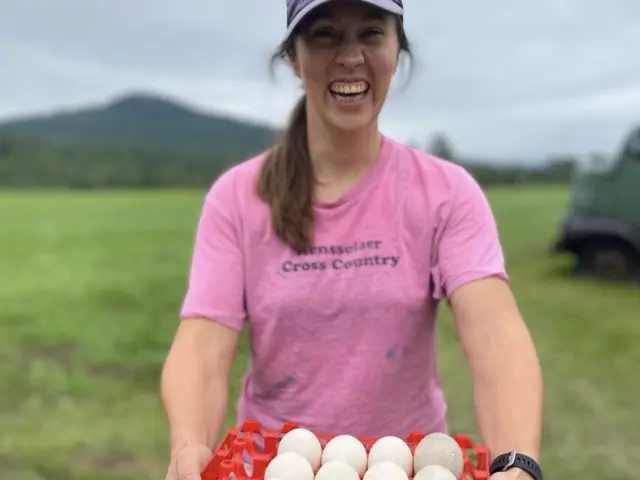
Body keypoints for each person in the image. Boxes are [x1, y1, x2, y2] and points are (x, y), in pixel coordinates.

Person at [161, 1, 544, 479]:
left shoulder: (445, 192)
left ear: (397, 50)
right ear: (294, 59)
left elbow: (495, 335)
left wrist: (518, 464)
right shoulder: (238, 197)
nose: (350, 56)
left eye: (370, 33)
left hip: (407, 463)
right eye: (324, 34)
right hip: (277, 464)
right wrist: (189, 446)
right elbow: (202, 345)